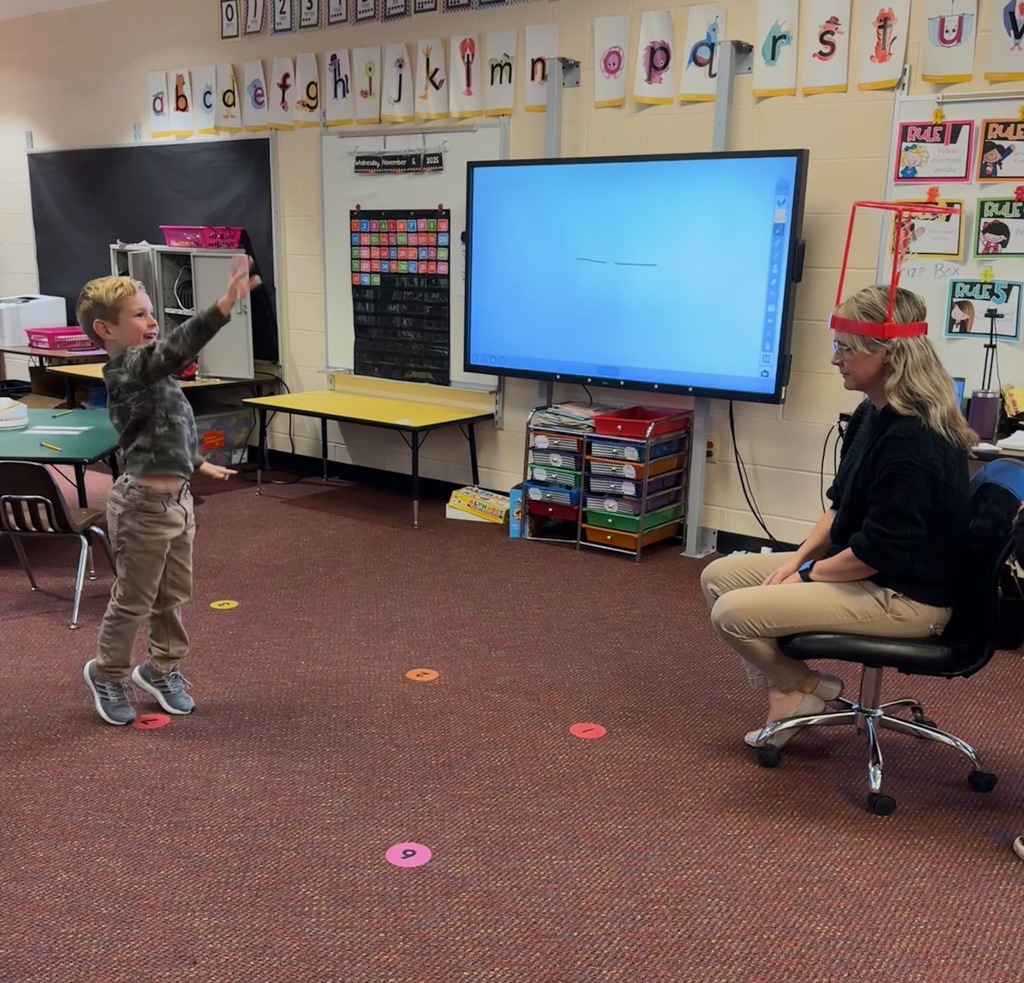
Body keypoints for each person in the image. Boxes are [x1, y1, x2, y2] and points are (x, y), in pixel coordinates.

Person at [701, 284, 975, 748]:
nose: (835, 359)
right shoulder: (872, 413)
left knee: (733, 613)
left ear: (888, 354)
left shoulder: (913, 441)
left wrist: (807, 576)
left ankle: (796, 690)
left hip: (905, 596)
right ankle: (797, 688)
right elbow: (840, 507)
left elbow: (877, 552)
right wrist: (795, 562)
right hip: (865, 567)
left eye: (845, 348)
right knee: (719, 577)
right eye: (837, 346)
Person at [75, 257, 260, 726]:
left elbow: (164, 429)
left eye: (150, 310)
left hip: (177, 503)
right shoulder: (129, 369)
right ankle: (108, 673)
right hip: (141, 507)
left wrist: (199, 464)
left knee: (172, 595)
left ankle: (160, 670)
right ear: (105, 329)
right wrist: (222, 305)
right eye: (138, 314)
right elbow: (180, 345)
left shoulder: (156, 378)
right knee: (133, 599)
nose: (152, 320)